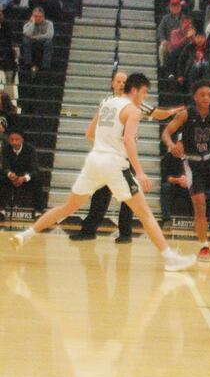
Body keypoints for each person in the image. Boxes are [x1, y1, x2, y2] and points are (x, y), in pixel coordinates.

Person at [9, 74, 196, 272]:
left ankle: (25, 235)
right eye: (144, 92)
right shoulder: (133, 110)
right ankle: (170, 259)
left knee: (67, 207)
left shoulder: (106, 102)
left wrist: (106, 142)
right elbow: (129, 141)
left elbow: (89, 134)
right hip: (114, 163)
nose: (144, 96)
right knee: (145, 213)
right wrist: (139, 172)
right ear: (135, 91)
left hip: (94, 160)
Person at [69, 71, 185, 243]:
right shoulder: (106, 103)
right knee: (100, 194)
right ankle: (88, 230)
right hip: (109, 156)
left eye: (124, 81)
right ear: (112, 84)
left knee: (129, 197)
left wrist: (173, 111)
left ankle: (125, 233)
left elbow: (157, 113)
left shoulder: (136, 105)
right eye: (118, 81)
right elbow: (90, 132)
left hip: (125, 155)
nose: (122, 84)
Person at [161, 80, 210, 261]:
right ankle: (204, 247)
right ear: (195, 96)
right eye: (202, 95)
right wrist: (171, 144)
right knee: (199, 205)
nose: (206, 98)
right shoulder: (185, 114)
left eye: (209, 95)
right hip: (192, 162)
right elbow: (166, 132)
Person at [0, 128, 45, 217]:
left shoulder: (30, 149)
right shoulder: (5, 149)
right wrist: (10, 174)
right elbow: (4, 167)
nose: (14, 142)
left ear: (22, 140)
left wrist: (25, 178)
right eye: (11, 139)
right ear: (8, 140)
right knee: (2, 179)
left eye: (17, 139)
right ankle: (1, 209)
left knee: (38, 181)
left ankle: (38, 211)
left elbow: (35, 169)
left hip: (25, 177)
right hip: (11, 177)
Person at [159, 151, 190, 226]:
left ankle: (201, 220)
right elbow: (166, 178)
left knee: (202, 189)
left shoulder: (194, 156)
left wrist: (189, 181)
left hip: (191, 185)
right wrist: (178, 180)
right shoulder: (168, 157)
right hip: (175, 185)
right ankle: (166, 219)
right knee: (165, 187)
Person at [21, 7, 53, 73]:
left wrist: (36, 37)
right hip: (31, 43)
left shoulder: (49, 23)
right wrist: (32, 23)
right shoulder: (27, 23)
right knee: (25, 39)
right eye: (35, 16)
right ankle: (28, 63)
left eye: (40, 16)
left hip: (42, 43)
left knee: (49, 42)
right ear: (32, 16)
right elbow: (27, 33)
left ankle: (45, 66)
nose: (38, 18)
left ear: (43, 16)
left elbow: (49, 35)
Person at [158, 0, 183, 67]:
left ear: (180, 7)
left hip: (181, 44)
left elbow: (192, 29)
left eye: (177, 6)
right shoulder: (165, 18)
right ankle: (163, 66)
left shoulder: (185, 18)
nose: (175, 8)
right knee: (162, 48)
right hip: (168, 43)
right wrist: (163, 40)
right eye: (173, 7)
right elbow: (160, 30)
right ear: (170, 8)